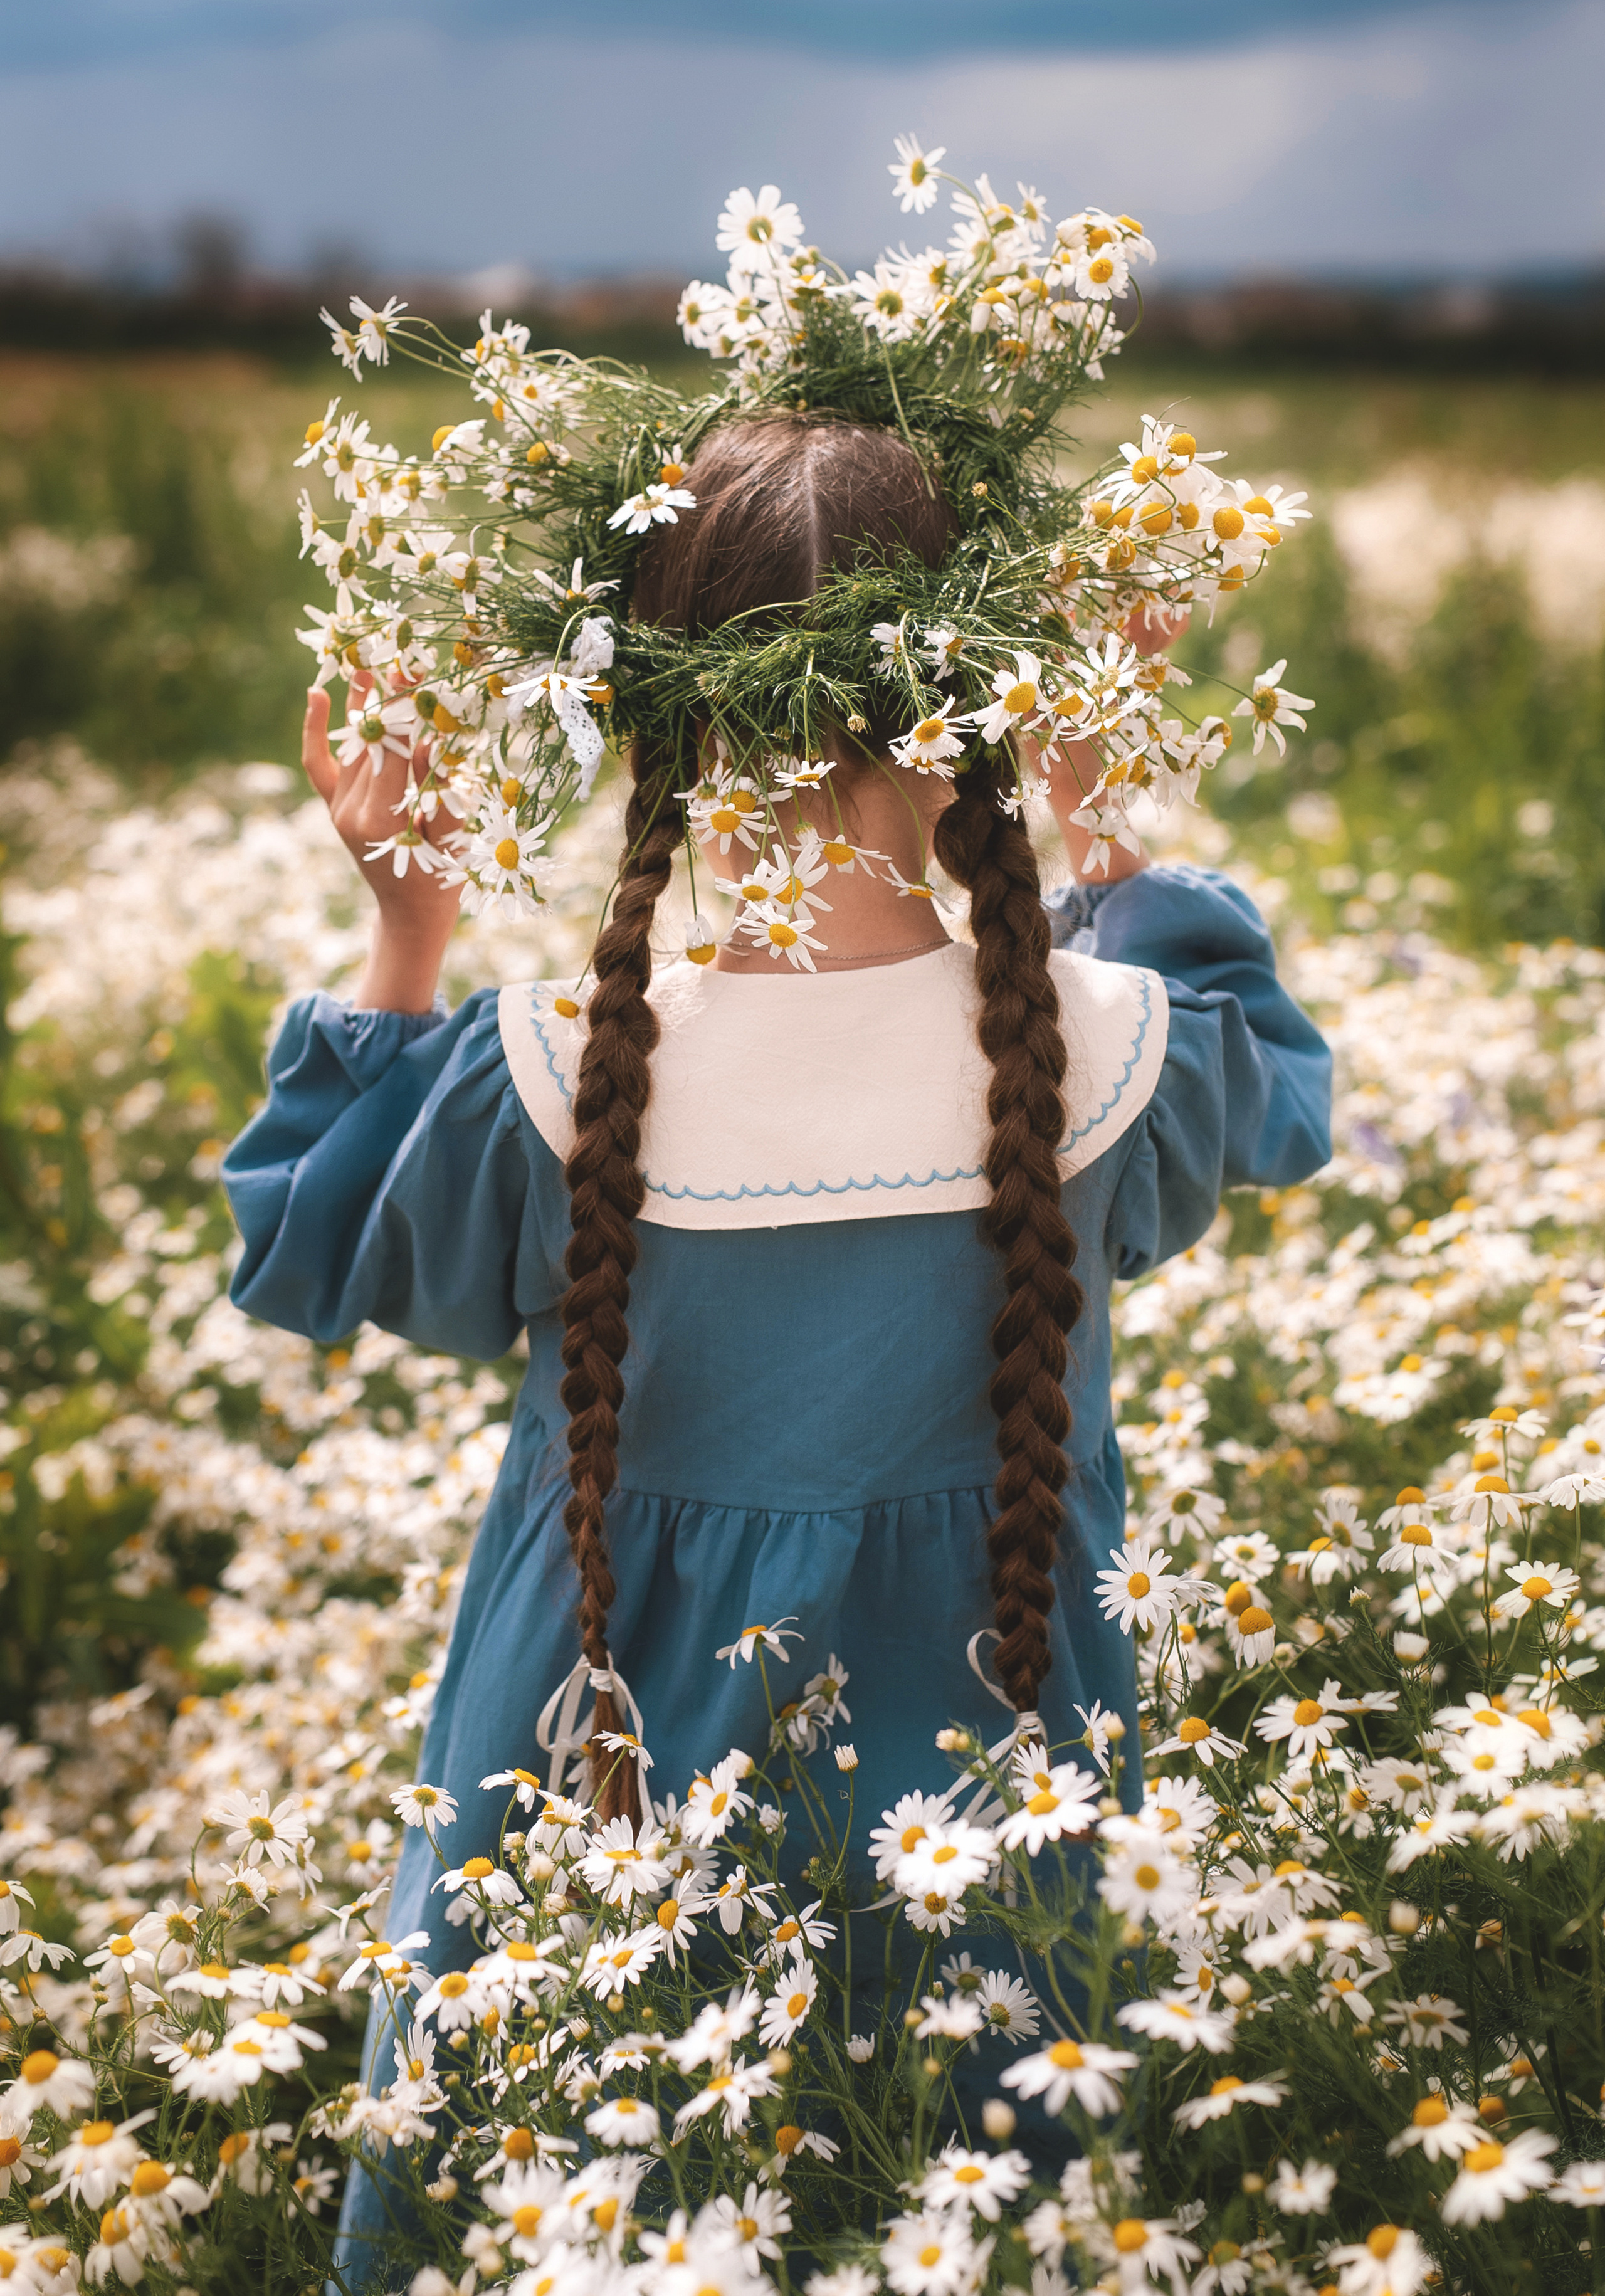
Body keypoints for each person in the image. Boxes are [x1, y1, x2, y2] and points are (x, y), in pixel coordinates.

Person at [224, 412, 1330, 2288]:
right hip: (1001, 1765)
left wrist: (405, 927)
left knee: (597, 2165)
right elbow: (1280, 1087)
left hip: (615, 1759)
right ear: (980, 692)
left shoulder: (556, 1078)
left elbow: (317, 1251)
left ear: (662, 717)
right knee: (970, 2183)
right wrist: (1115, 812)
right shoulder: (1109, 1058)